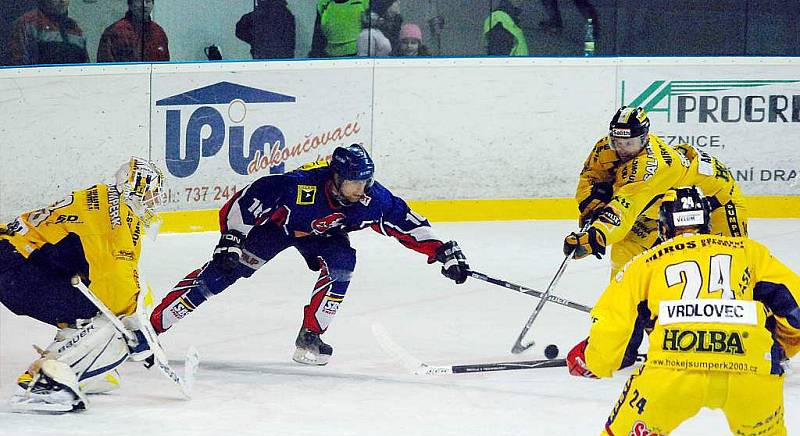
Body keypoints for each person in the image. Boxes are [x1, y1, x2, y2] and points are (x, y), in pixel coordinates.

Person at [150, 144, 470, 366]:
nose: (362, 189)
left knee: (343, 266)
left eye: (366, 181)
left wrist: (442, 251)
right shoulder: (299, 186)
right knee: (219, 276)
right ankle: (152, 329)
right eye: (355, 183)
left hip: (325, 236)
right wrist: (232, 240)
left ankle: (310, 337)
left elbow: (406, 222)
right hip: (277, 230)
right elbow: (249, 200)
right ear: (337, 178)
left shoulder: (373, 199)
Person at [565, 186, 799, 436]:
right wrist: (781, 346)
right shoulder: (748, 251)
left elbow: (613, 327)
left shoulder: (643, 264)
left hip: (673, 372)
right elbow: (796, 309)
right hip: (750, 370)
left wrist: (593, 360)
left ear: (664, 227)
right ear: (706, 222)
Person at [0, 157, 166, 412]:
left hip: (14, 259)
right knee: (112, 317)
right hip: (15, 267)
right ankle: (44, 382)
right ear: (134, 191)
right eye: (151, 197)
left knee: (93, 299)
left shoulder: (103, 200)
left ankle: (85, 367)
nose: (153, 206)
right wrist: (137, 333)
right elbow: (116, 292)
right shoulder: (117, 220)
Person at [563, 106, 748, 277]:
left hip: (718, 203)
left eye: (630, 143)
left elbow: (625, 208)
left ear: (644, 138)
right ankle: (622, 307)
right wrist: (590, 203)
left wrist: (597, 235)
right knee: (626, 250)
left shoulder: (651, 166)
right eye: (617, 142)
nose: (622, 149)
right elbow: (591, 175)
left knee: (728, 266)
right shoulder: (606, 147)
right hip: (665, 207)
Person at [8, 0, 89, 66]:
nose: (62, 1)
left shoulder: (76, 29)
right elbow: (17, 64)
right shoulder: (28, 23)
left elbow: (85, 66)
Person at [97, 0, 170, 63]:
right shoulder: (115, 32)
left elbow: (165, 67)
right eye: (139, 1)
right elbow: (105, 68)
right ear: (130, 4)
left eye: (148, 1)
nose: (144, 5)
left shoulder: (158, 33)